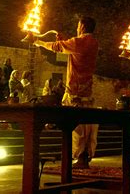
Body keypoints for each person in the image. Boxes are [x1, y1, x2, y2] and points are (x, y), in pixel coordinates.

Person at [34, 16, 99, 169]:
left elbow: (58, 47)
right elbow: (74, 47)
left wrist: (38, 42)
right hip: (87, 91)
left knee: (76, 127)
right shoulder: (93, 42)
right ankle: (84, 157)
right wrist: (65, 39)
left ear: (82, 26)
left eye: (78, 25)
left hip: (75, 90)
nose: (77, 28)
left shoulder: (79, 42)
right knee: (86, 125)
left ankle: (80, 158)